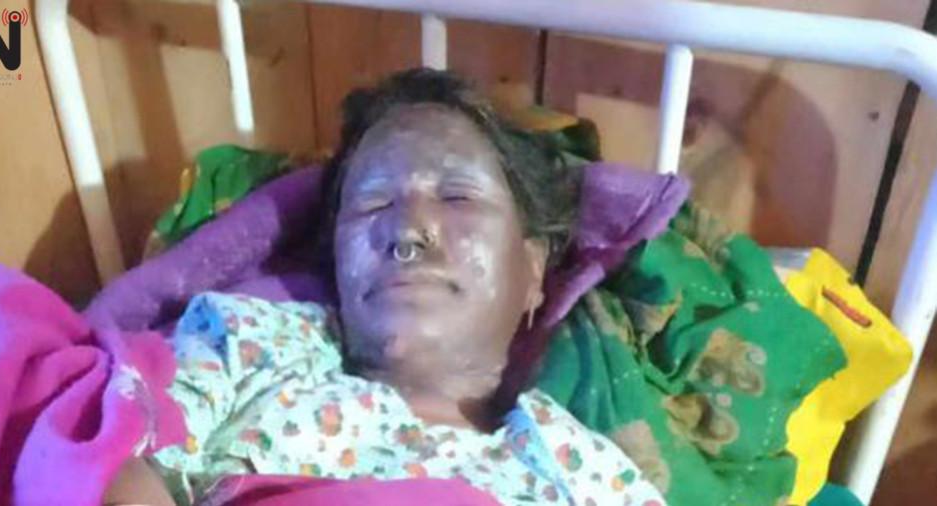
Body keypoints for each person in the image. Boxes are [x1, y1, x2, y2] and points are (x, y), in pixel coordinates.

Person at [104, 68, 665, 506]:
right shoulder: (249, 344)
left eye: (457, 196)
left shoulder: (581, 470)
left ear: (534, 271)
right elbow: (111, 452)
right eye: (372, 203)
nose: (406, 231)